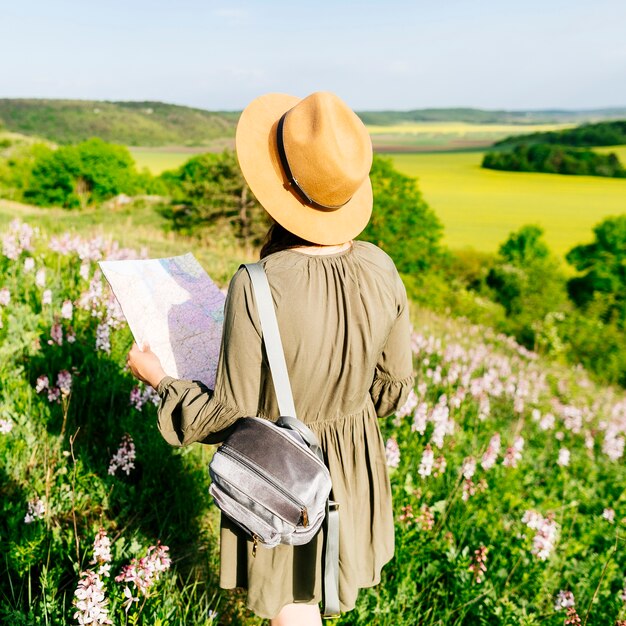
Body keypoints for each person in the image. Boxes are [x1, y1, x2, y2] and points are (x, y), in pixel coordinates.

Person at [127, 91, 415, 625]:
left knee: (294, 609)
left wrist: (160, 378)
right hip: (353, 462)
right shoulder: (382, 267)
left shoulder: (256, 284)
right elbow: (392, 390)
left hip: (283, 467)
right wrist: (340, 399)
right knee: (318, 596)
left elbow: (230, 417)